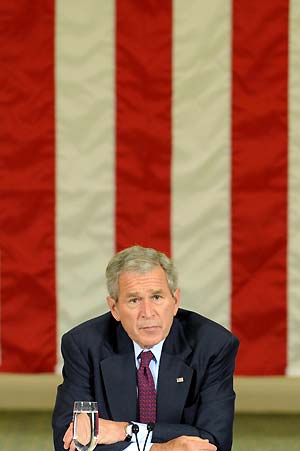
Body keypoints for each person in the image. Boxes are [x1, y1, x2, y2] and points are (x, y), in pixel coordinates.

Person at [52, 245, 239, 451]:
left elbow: (214, 442)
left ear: (175, 301)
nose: (147, 312)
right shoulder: (83, 345)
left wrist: (125, 430)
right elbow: (70, 441)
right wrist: (159, 449)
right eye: (134, 300)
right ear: (114, 308)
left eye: (157, 297)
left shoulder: (212, 345)